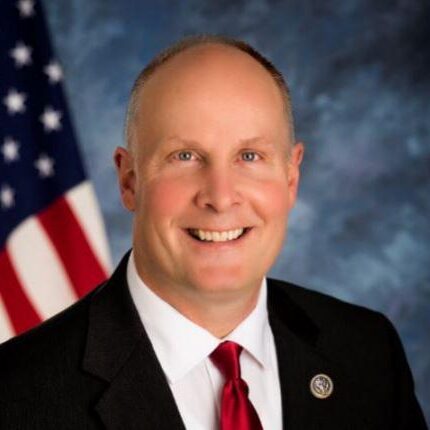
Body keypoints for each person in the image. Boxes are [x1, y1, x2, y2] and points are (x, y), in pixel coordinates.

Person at [0, 35, 427, 430]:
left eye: (250, 155)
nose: (220, 197)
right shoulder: (17, 395)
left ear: (291, 178)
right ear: (129, 180)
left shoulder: (367, 353)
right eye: (185, 156)